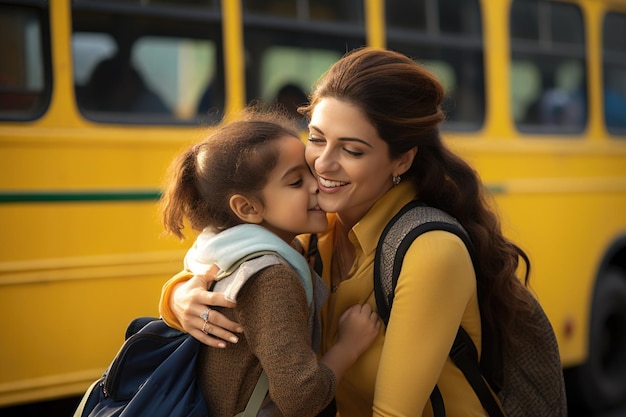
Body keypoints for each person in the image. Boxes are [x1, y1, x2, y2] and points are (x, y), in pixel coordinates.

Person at [160, 48, 540, 416]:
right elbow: (233, 266)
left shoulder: (429, 251)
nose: (323, 165)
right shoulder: (312, 232)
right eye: (317, 138)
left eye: (352, 151)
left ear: (402, 159)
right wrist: (178, 299)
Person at [159, 107, 380, 417]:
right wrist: (348, 347)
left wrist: (173, 295)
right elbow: (300, 398)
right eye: (295, 182)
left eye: (309, 172)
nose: (318, 184)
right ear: (248, 208)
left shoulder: (222, 249)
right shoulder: (271, 278)